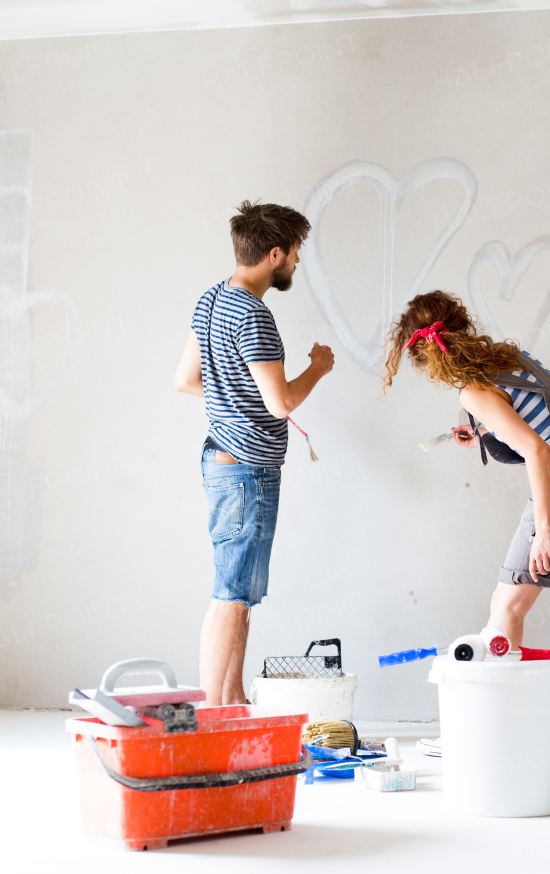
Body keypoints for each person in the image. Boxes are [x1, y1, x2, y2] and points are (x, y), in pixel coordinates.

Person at [383, 290, 550, 751]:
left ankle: (476, 734)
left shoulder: (472, 390)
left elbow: (537, 448)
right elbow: (542, 422)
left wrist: (545, 528)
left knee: (507, 606)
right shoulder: (508, 356)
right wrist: (481, 429)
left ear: (424, 358)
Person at [174, 201, 334, 706]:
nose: (297, 264)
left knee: (240, 595)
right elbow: (281, 401)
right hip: (246, 471)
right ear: (274, 254)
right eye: (295, 254)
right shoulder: (255, 316)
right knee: (231, 597)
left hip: (223, 459)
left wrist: (233, 395)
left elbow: (186, 381)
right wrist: (318, 367)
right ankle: (211, 712)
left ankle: (233, 701)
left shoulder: (210, 300)